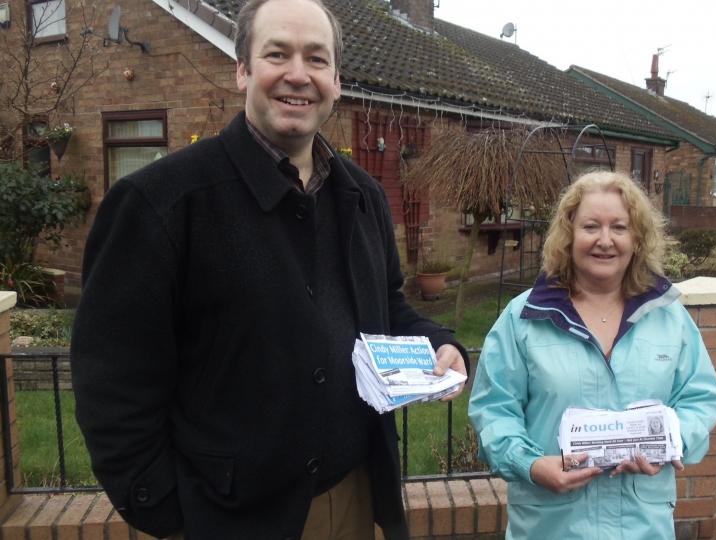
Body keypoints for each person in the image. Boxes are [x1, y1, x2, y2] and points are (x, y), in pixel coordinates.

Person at [69, 0, 468, 538]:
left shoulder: (365, 197)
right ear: (242, 70)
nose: (298, 75)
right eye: (277, 54)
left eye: (317, 59)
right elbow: (112, 381)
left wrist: (439, 341)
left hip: (351, 496)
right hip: (225, 516)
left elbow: (386, 304)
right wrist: (166, 510)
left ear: (337, 81)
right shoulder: (160, 203)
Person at [468, 171, 716, 539]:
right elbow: (494, 409)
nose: (605, 240)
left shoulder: (669, 318)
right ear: (569, 234)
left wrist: (670, 441)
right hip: (551, 526)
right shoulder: (523, 318)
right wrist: (532, 465)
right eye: (591, 226)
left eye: (619, 227)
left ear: (637, 239)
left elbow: (700, 397)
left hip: (642, 525)